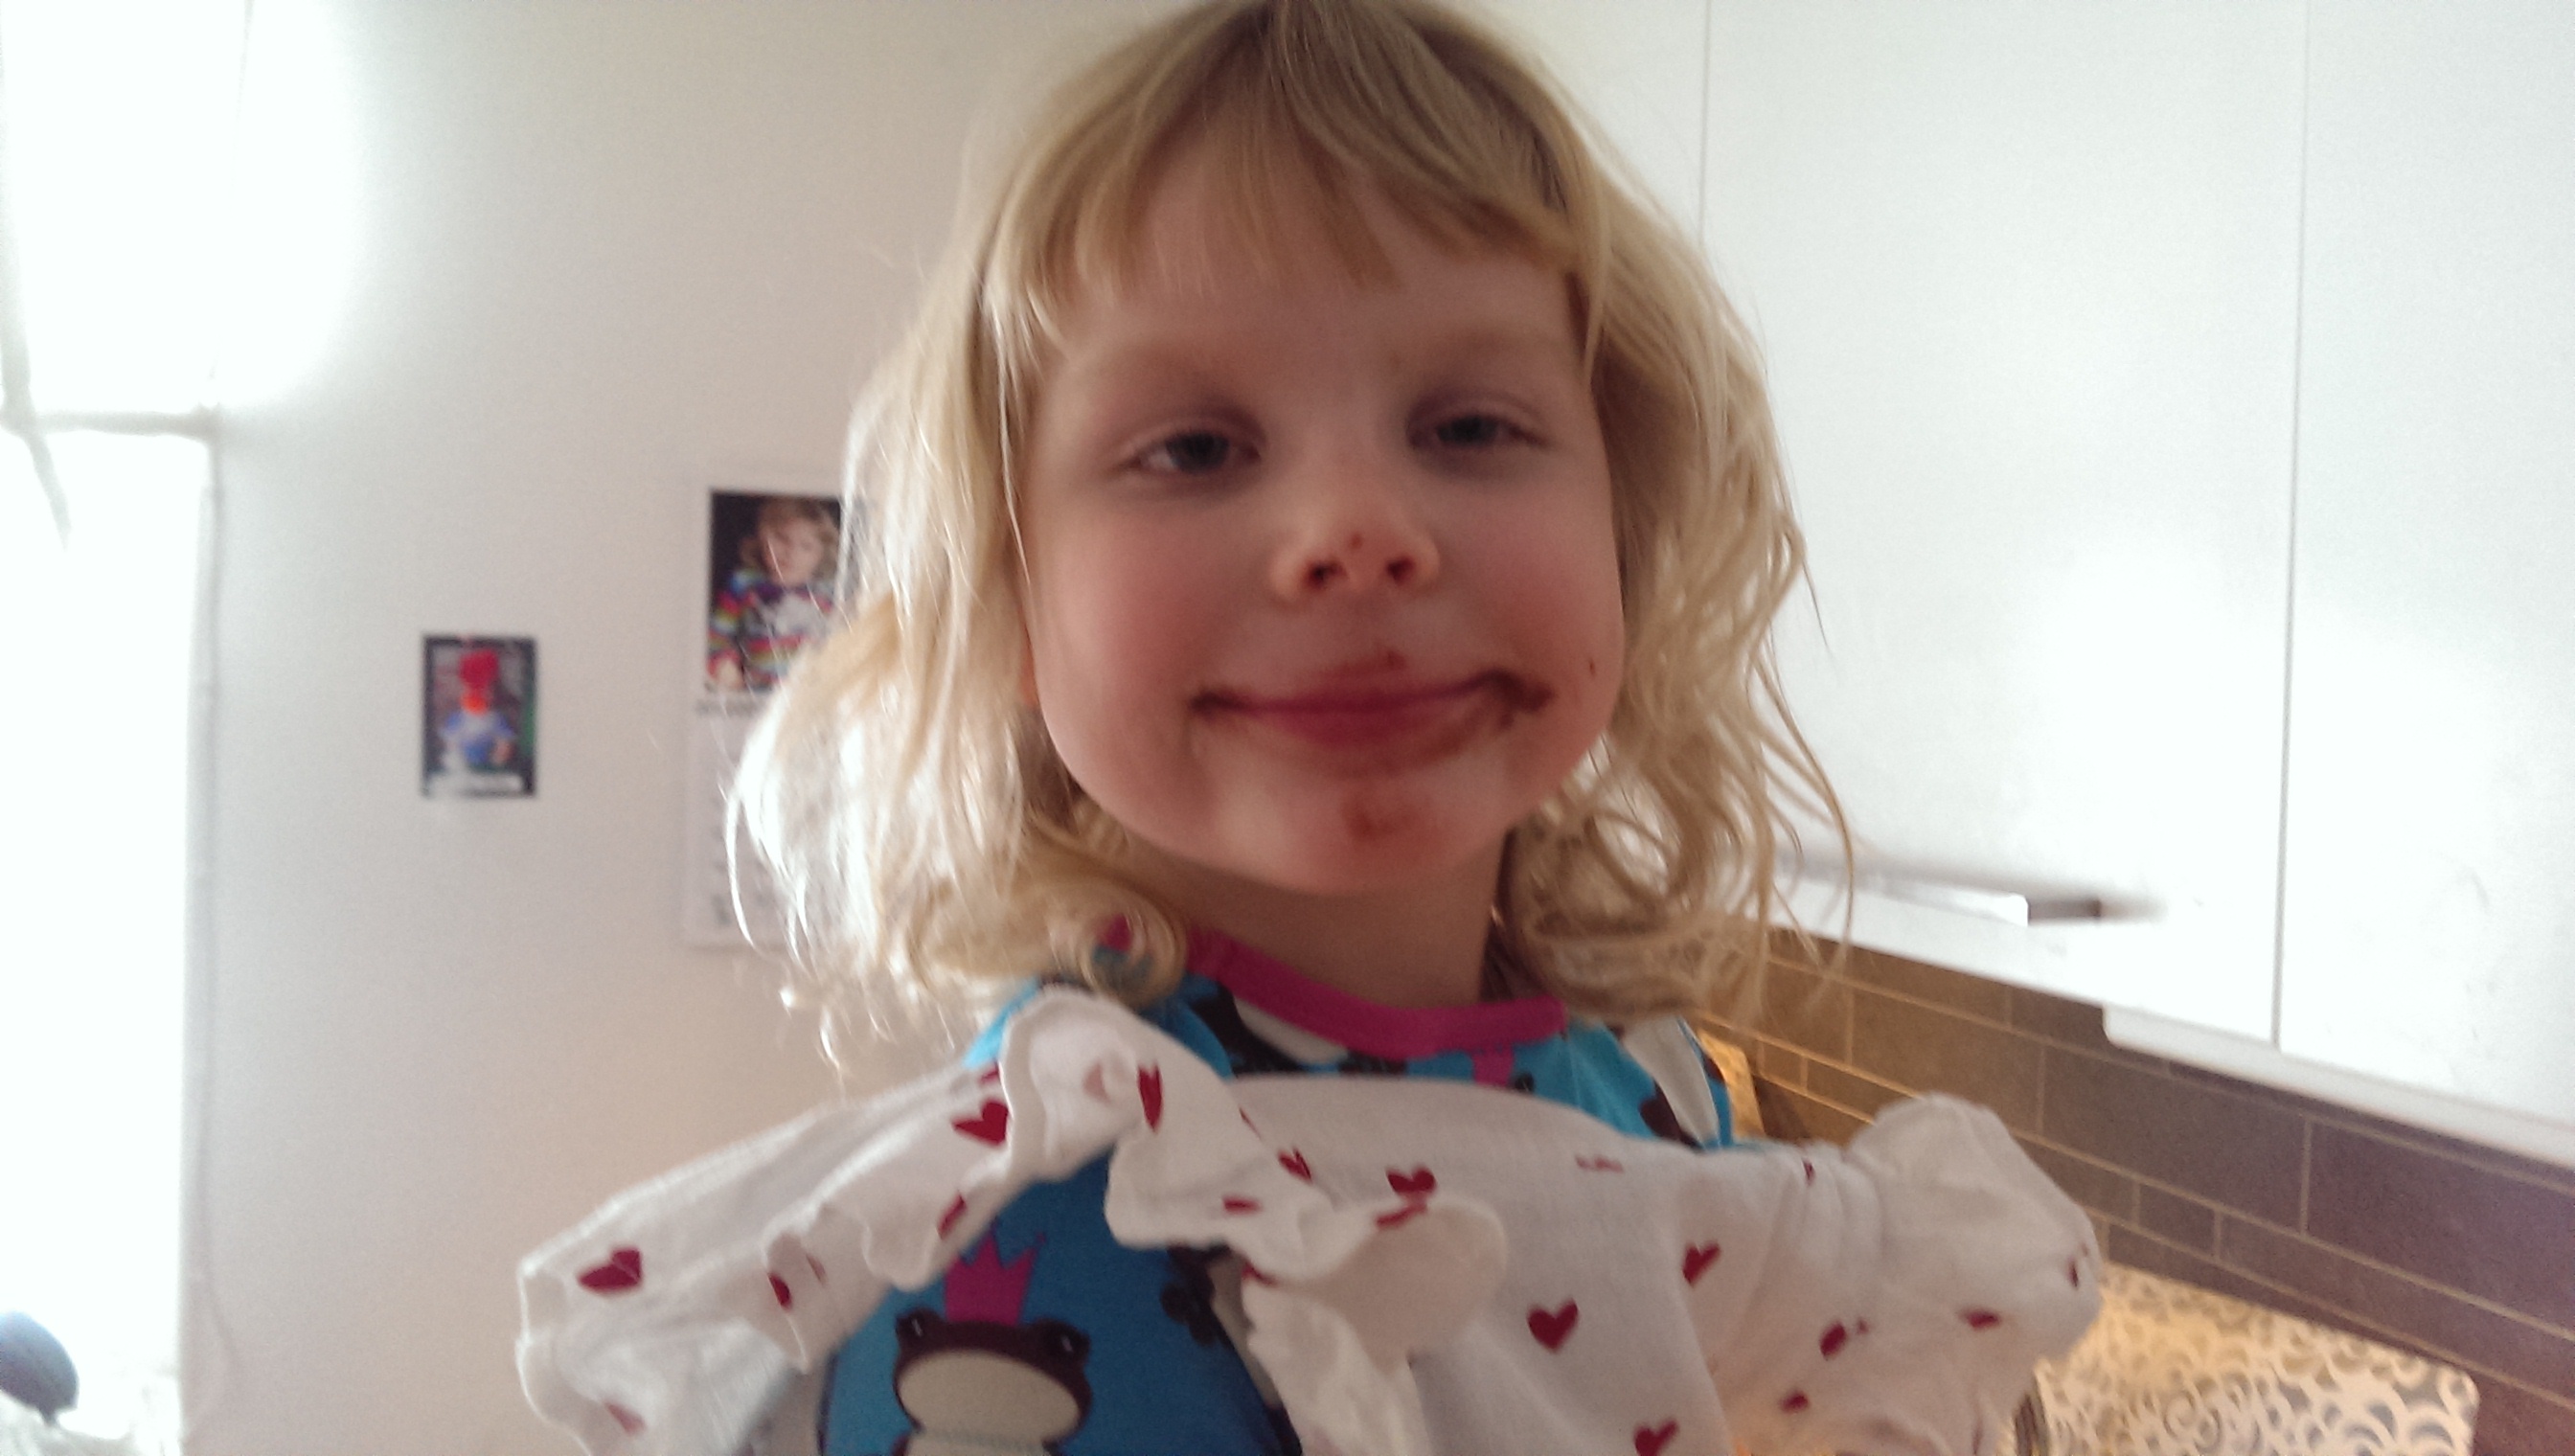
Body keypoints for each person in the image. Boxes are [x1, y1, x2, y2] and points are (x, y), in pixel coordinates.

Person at [521, 3, 2099, 1454]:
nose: (1357, 530)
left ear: (1625, 537)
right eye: (1195, 448)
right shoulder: (1030, 1238)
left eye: (1468, 425)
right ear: (1009, 603)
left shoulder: (1630, 1084)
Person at [709, 496, 840, 693]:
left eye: (806, 546)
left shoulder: (829, 593)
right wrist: (724, 665)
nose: (791, 552)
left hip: (811, 692)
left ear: (821, 556)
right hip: (756, 693)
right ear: (764, 538)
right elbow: (715, 638)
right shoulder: (744, 585)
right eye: (782, 539)